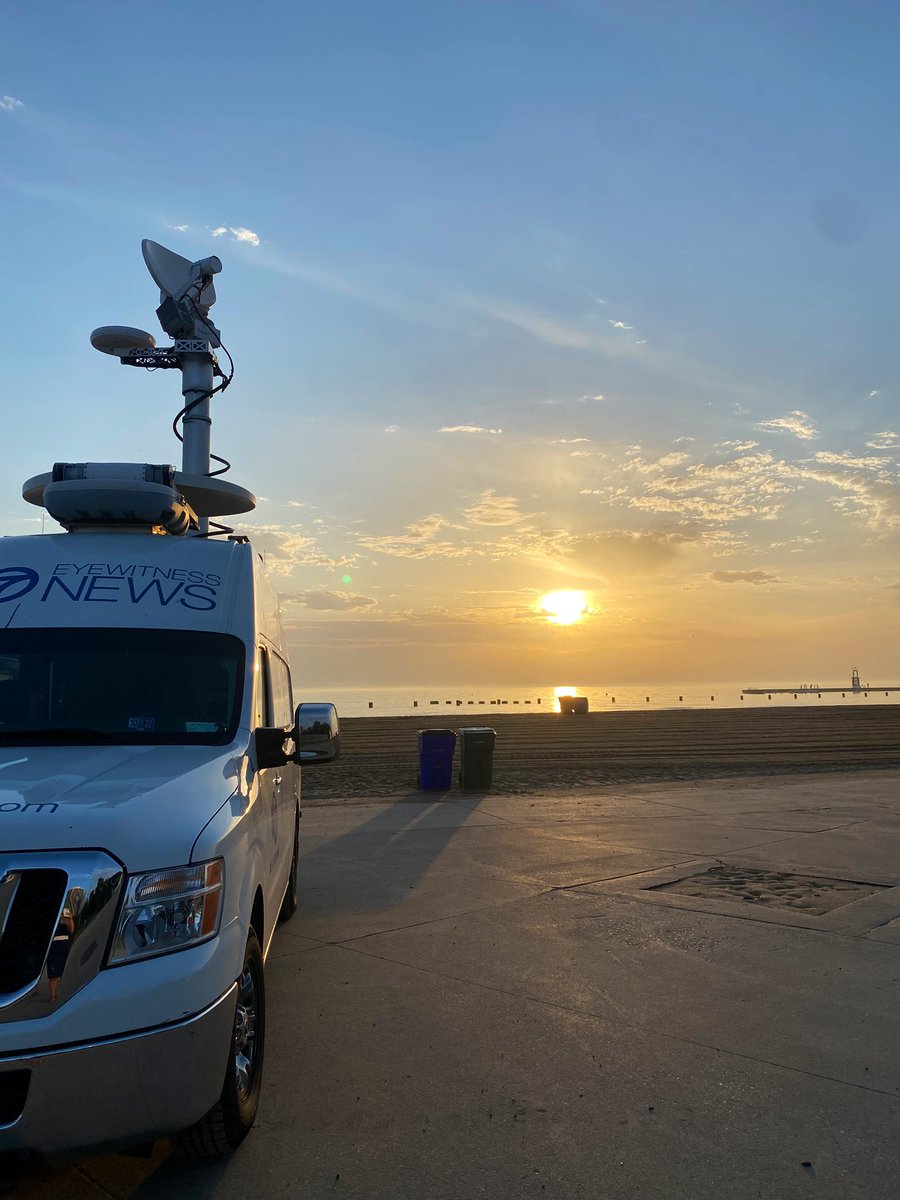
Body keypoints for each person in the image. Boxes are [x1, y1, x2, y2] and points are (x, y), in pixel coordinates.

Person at [47, 906, 74, 1003]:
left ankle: (58, 993)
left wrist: (70, 919)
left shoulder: (65, 919)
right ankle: (53, 996)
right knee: (53, 973)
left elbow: (71, 931)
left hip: (63, 945)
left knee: (62, 969)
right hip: (52, 945)